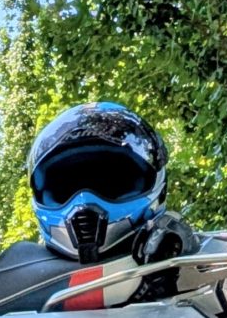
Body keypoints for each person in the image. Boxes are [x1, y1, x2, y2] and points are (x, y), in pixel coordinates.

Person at [27, 101, 200, 304]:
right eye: (66, 186)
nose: (84, 202)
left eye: (111, 181)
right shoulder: (18, 284)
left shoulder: (187, 259)